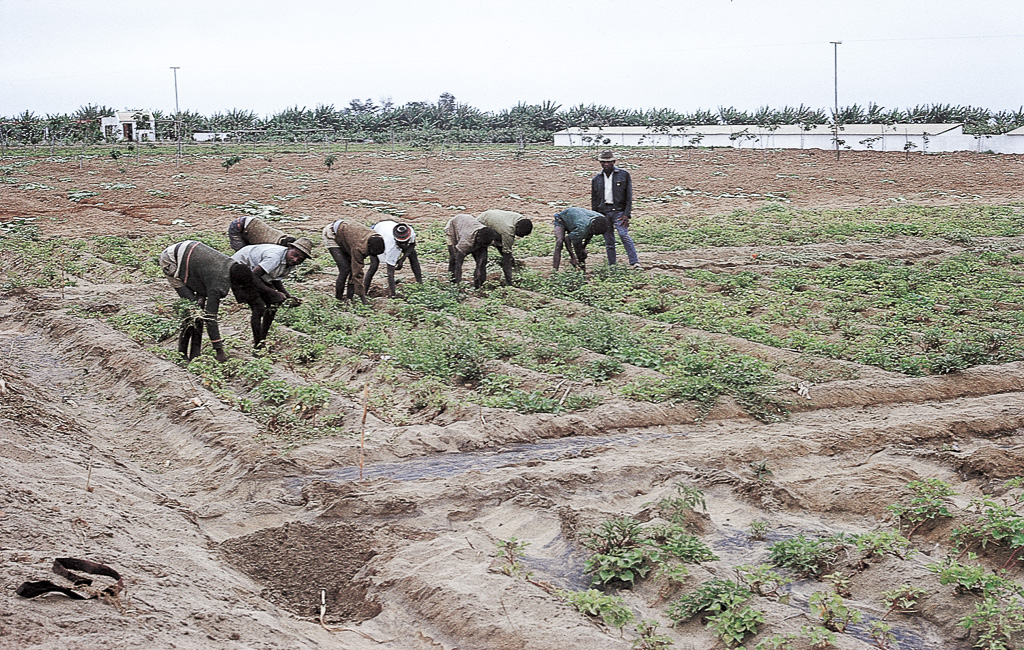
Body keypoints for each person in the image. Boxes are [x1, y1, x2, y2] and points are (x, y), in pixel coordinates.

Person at [159, 240, 283, 362]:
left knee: (198, 305)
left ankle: (195, 354)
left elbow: (205, 275)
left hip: (192, 255)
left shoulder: (233, 265)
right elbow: (210, 317)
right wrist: (219, 350)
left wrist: (273, 294)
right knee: (194, 308)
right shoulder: (218, 284)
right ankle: (182, 354)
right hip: (172, 258)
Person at [231, 237, 314, 349]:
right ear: (289, 248)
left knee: (274, 303)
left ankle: (262, 339)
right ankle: (258, 345)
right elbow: (253, 276)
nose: (295, 260)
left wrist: (288, 296)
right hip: (238, 270)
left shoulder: (290, 264)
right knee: (258, 307)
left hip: (254, 273)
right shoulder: (274, 257)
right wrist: (274, 293)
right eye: (295, 255)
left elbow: (274, 278)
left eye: (300, 259)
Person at [591, 150, 641, 269]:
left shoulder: (623, 175)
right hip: (603, 211)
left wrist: (626, 214)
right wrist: (595, 216)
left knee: (624, 235)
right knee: (609, 241)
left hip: (619, 210)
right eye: (603, 162)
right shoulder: (596, 178)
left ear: (614, 161)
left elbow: (629, 196)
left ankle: (634, 262)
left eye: (608, 162)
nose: (606, 164)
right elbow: (594, 199)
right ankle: (612, 265)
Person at [322, 219, 385, 304]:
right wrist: (363, 297)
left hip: (346, 235)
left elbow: (373, 261)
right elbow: (357, 273)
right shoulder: (358, 248)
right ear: (369, 247)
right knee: (345, 269)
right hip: (332, 234)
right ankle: (338, 300)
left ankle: (349, 299)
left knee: (352, 270)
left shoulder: (375, 237)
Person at [364, 220, 422, 298]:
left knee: (413, 255)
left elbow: (412, 245)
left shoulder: (409, 231)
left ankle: (420, 283)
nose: (404, 245)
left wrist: (402, 259)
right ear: (396, 241)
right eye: (401, 243)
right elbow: (390, 273)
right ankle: (364, 292)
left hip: (388, 225)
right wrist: (393, 294)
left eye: (405, 242)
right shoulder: (390, 247)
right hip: (377, 232)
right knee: (374, 264)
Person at [476, 209, 534, 286]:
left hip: (492, 217)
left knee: (504, 251)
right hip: (482, 223)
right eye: (522, 234)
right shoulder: (508, 231)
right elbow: (506, 258)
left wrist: (510, 257)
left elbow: (503, 246)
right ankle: (479, 284)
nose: (522, 236)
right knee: (482, 258)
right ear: (517, 228)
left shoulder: (520, 219)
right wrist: (510, 282)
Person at [444, 213, 499, 289]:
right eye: (481, 245)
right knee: (454, 259)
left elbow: (481, 264)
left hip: (469, 226)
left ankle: (479, 285)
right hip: (453, 227)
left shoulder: (487, 237)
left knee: (482, 262)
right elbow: (458, 263)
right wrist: (459, 287)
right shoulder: (466, 241)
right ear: (478, 239)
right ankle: (453, 284)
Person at [552, 207, 610, 272]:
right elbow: (567, 239)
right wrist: (572, 257)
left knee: (579, 249)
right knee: (559, 242)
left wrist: (583, 248)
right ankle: (555, 272)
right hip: (562, 219)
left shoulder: (601, 219)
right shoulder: (582, 227)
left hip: (575, 221)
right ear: (592, 227)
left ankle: (582, 273)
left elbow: (590, 234)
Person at [226, 215, 296, 251]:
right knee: (242, 253)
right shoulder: (272, 246)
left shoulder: (282, 237)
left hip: (249, 222)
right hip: (239, 226)